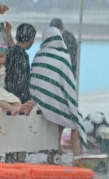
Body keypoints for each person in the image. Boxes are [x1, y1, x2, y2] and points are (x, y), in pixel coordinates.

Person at [30, 27, 86, 156]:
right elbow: (68, 85)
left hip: (37, 101)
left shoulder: (39, 55)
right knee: (75, 122)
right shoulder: (63, 57)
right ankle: (77, 158)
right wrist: (72, 104)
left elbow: (36, 81)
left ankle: (56, 145)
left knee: (60, 113)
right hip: (51, 103)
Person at [5, 24, 37, 103]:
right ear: (32, 39)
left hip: (6, 97)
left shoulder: (8, 51)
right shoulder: (22, 55)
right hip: (16, 101)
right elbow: (20, 82)